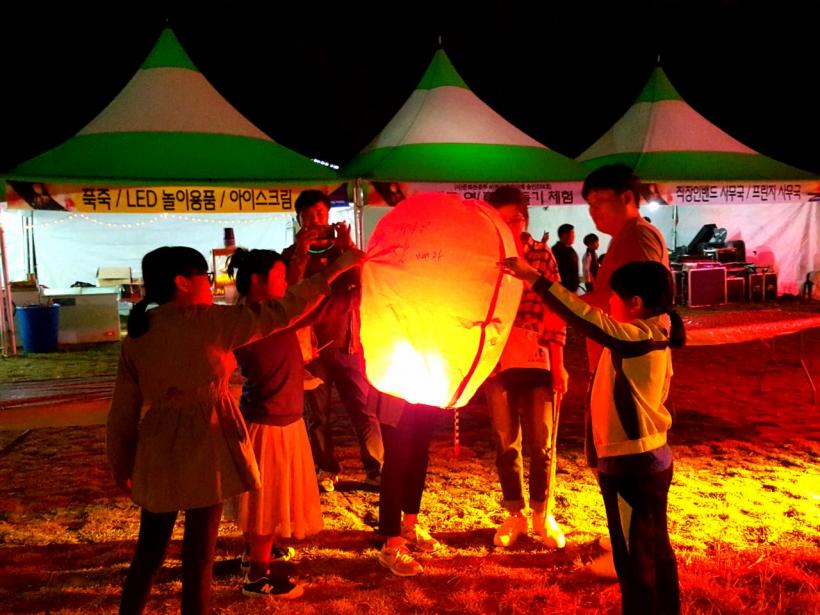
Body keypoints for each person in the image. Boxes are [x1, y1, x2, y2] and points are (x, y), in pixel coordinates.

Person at [106, 245, 362, 614]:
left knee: (149, 552)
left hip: (158, 447)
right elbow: (283, 310)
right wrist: (334, 270)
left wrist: (121, 463)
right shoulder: (211, 322)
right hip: (208, 442)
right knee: (199, 555)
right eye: (204, 277)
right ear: (182, 282)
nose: (210, 285)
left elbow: (122, 412)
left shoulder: (138, 336)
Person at [502, 257, 683, 615]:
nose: (608, 303)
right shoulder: (655, 334)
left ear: (635, 303)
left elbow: (584, 316)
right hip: (649, 458)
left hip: (633, 465)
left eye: (614, 296)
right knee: (654, 550)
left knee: (634, 562)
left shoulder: (638, 338)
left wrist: (534, 279)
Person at [582, 164, 670, 577]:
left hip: (625, 368)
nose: (593, 211)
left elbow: (641, 298)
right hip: (613, 363)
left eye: (600, 201)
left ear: (628, 198)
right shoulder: (624, 238)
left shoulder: (638, 236)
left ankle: (631, 554)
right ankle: (622, 535)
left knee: (624, 460)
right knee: (611, 458)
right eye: (589, 204)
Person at [227, 248, 327, 600]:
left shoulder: (260, 315)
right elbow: (314, 305)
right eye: (280, 277)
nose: (286, 284)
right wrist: (339, 272)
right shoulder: (260, 320)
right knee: (266, 500)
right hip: (271, 424)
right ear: (257, 281)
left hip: (274, 417)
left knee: (262, 497)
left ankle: (253, 555)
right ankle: (258, 576)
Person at [483, 186, 568, 549]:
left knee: (541, 442)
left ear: (526, 218)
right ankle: (514, 513)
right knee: (505, 442)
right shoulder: (487, 256)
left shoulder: (541, 254)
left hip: (537, 358)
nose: (511, 226)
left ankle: (541, 513)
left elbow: (556, 309)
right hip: (498, 361)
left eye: (516, 218)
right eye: (502, 221)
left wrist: (559, 365)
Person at [283, 190, 383, 491]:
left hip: (348, 345)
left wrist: (347, 246)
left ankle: (376, 468)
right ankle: (326, 469)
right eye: (308, 216)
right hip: (310, 350)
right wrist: (301, 253)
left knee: (363, 410)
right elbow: (290, 292)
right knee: (318, 415)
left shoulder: (343, 251)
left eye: (321, 214)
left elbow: (363, 283)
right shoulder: (290, 256)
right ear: (299, 219)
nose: (316, 221)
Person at [372, 392, 443, 576]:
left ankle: (410, 524)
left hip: (427, 390)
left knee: (419, 455)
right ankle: (391, 543)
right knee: (397, 457)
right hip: (395, 392)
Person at [552, 223, 580, 292]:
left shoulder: (570, 249)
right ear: (564, 235)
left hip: (571, 289)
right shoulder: (556, 250)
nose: (574, 236)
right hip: (562, 290)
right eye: (572, 233)